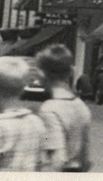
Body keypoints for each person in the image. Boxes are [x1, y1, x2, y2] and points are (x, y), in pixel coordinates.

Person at [35, 44, 92, 172]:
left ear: (42, 74)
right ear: (69, 72)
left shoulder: (49, 109)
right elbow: (85, 156)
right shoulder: (81, 105)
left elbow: (57, 158)